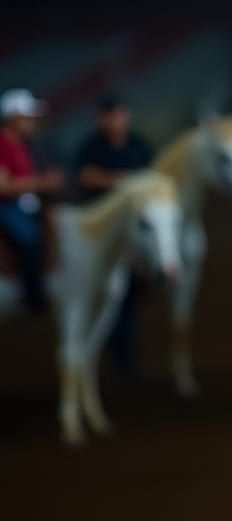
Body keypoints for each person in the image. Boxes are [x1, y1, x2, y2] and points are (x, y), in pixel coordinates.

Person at [75, 93, 154, 377]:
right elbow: (84, 176)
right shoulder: (92, 146)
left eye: (119, 114)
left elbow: (153, 178)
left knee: (126, 299)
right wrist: (123, 182)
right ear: (102, 119)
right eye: (110, 115)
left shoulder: (138, 144)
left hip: (132, 233)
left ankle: (123, 360)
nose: (115, 120)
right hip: (102, 236)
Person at [0, 89, 64, 311]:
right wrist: (41, 183)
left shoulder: (25, 144)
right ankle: (32, 295)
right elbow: (3, 186)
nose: (32, 122)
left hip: (28, 201)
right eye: (27, 117)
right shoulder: (2, 144)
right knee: (29, 239)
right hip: (7, 204)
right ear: (13, 118)